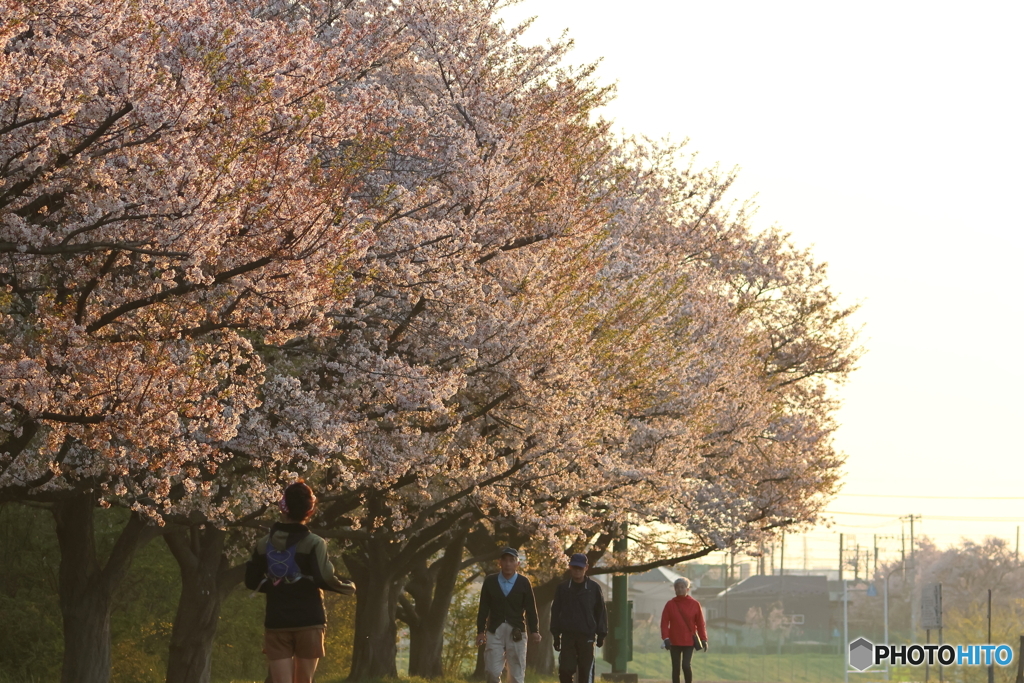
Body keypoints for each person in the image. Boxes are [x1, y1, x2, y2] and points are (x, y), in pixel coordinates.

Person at [245, 481, 355, 683]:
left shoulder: (264, 544)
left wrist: (276, 584)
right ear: (309, 511)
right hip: (309, 620)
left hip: (277, 620)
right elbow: (324, 577)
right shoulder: (314, 542)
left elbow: (251, 581)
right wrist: (348, 587)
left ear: (282, 508)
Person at [476, 547, 542, 683]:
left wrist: (534, 630)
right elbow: (483, 608)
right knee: (492, 672)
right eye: (505, 560)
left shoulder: (524, 582)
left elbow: (531, 608)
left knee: (516, 674)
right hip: (494, 630)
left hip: (517, 630)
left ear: (517, 564)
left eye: (511, 560)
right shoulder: (490, 581)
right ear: (499, 562)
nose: (508, 564)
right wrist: (480, 631)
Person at [549, 553, 608, 683]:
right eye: (575, 567)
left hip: (587, 636)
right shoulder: (563, 588)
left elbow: (600, 612)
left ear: (586, 568)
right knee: (565, 670)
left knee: (585, 673)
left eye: (580, 568)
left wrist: (601, 634)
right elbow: (556, 611)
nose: (577, 571)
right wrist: (555, 634)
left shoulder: (593, 588)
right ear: (570, 567)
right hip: (568, 636)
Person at [660, 577, 708, 683]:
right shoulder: (670, 604)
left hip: (689, 641)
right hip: (674, 641)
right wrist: (666, 638)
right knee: (675, 668)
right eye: (677, 587)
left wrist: (703, 639)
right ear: (675, 589)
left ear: (687, 589)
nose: (679, 589)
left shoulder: (695, 604)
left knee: (686, 665)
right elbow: (664, 623)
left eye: (682, 587)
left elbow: (700, 623)